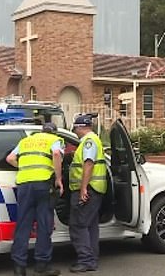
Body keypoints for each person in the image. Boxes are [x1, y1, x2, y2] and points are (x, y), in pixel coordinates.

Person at [6, 123, 64, 276]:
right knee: (44, 225)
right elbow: (57, 154)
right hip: (43, 184)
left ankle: (19, 267)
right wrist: (58, 179)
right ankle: (42, 265)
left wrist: (25, 168)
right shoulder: (54, 140)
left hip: (24, 185)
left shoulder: (26, 141)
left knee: (23, 226)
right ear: (54, 132)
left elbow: (10, 158)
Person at [68, 115, 107, 273]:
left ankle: (85, 260)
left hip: (88, 189)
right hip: (95, 188)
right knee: (90, 225)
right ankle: (92, 258)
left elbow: (88, 163)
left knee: (78, 224)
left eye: (75, 129)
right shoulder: (93, 140)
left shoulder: (88, 141)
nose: (75, 132)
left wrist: (83, 188)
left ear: (79, 127)